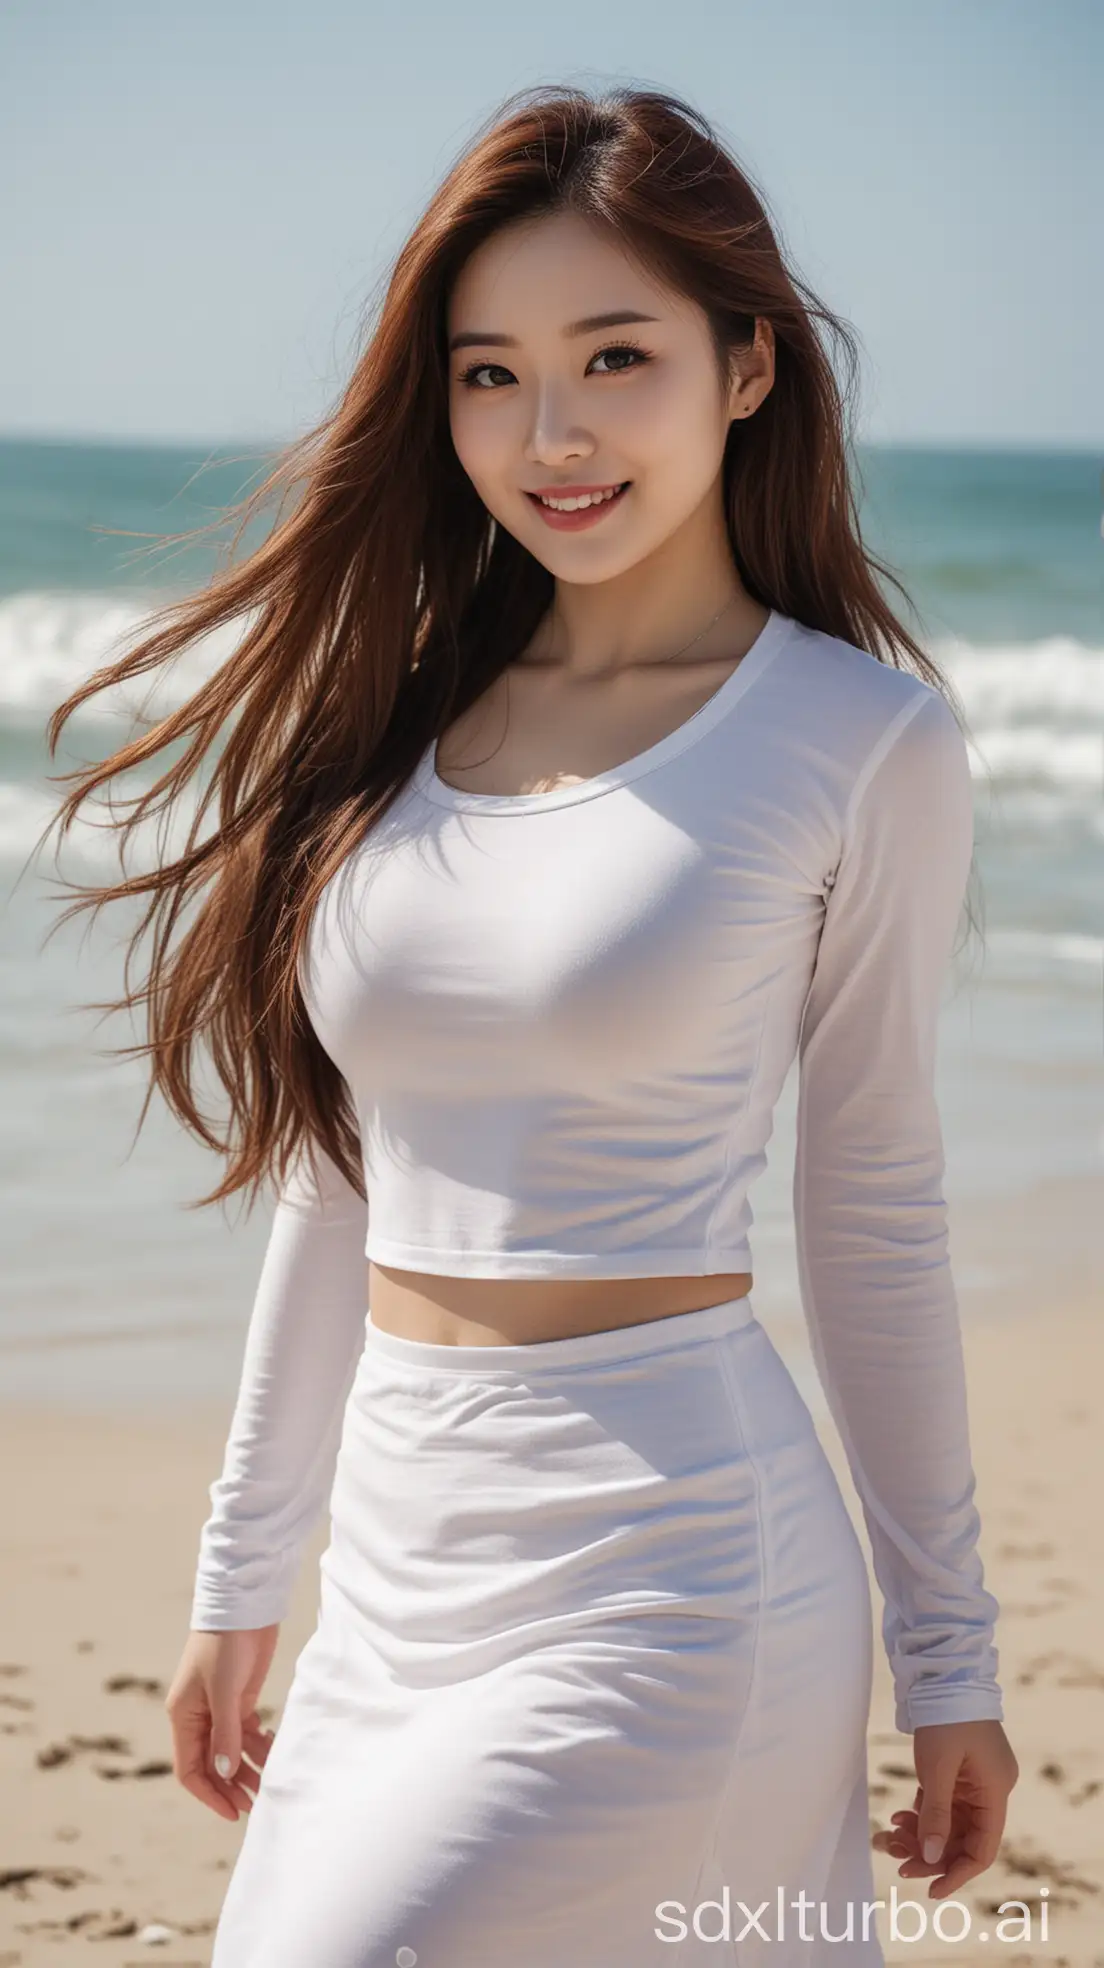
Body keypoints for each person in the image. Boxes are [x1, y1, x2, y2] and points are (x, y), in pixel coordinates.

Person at [47, 84, 1018, 1968]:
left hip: (672, 1563)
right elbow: (343, 1177)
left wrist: (951, 1649)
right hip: (397, 1574)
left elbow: (876, 1206)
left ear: (748, 367)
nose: (550, 435)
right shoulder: (403, 733)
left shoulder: (857, 743)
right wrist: (249, 1570)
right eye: (490, 375)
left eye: (614, 358)